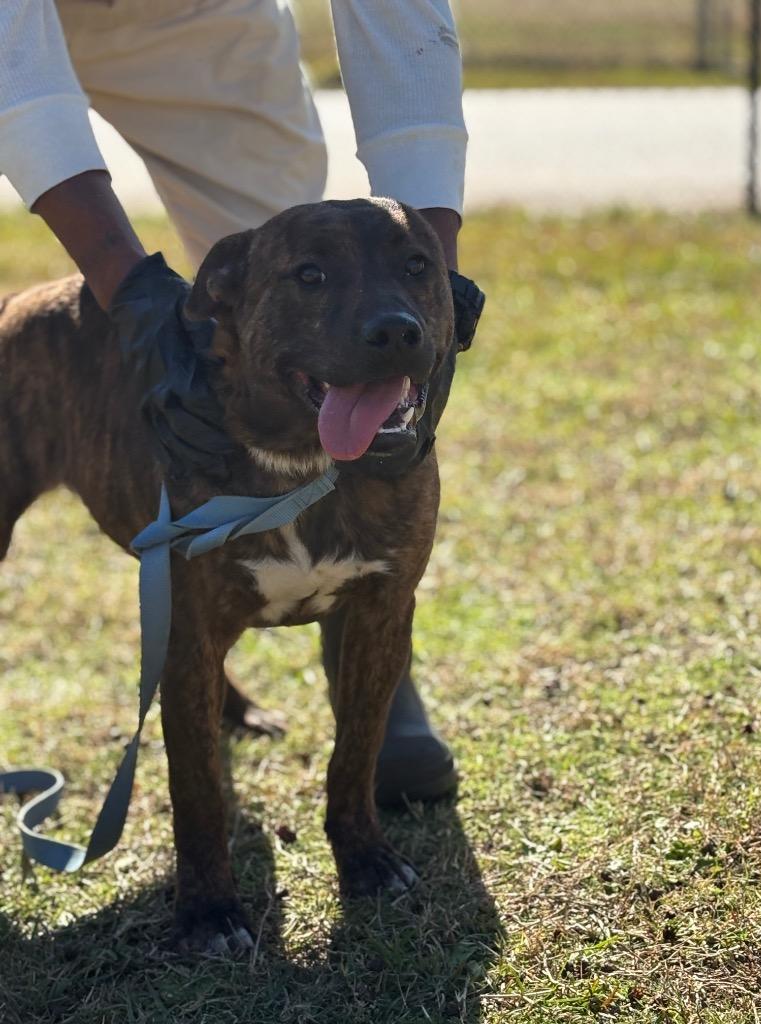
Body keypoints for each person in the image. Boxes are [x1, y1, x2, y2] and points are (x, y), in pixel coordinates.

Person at [1, 0, 483, 804]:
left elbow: (400, 20)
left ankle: (367, 608)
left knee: (293, 267)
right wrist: (131, 291)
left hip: (198, 15)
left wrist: (431, 274)